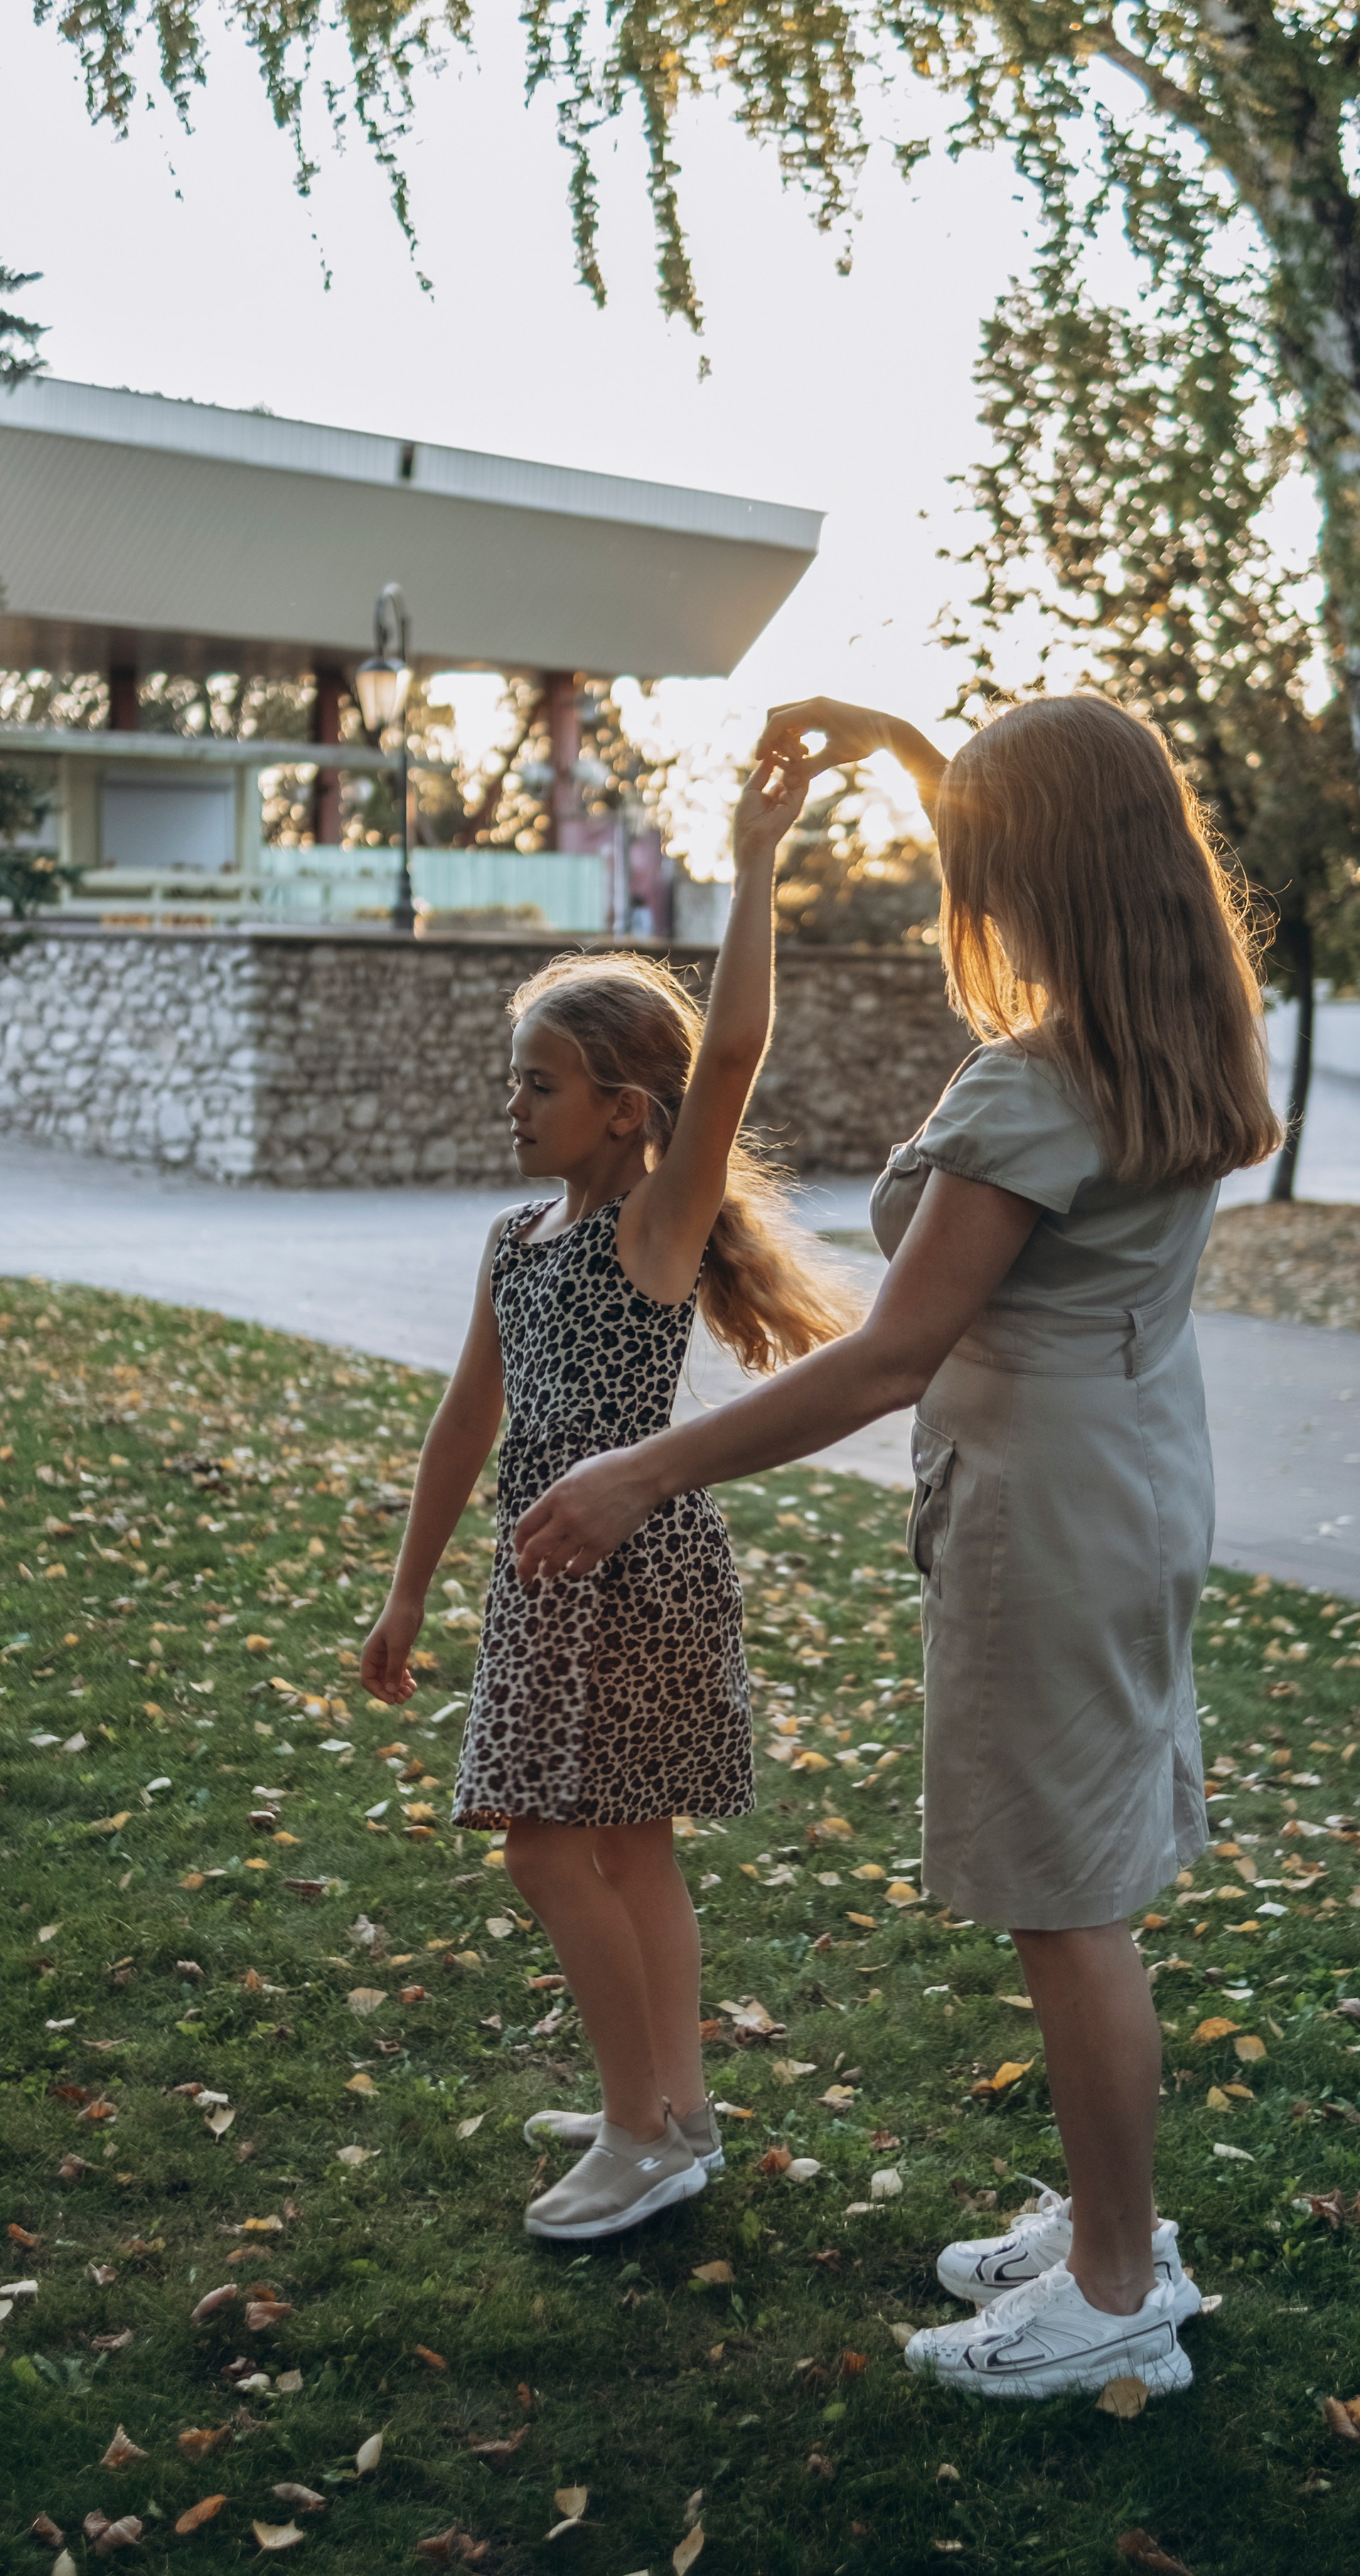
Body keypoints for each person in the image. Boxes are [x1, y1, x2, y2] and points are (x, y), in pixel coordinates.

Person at [513, 692, 1281, 2398]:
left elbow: (880, 1360)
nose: (966, 888)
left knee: (1066, 1904)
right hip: (1139, 1471)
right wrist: (913, 751)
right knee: (1089, 1872)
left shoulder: (1029, 1087)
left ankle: (1108, 2288)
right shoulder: (1180, 1032)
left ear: (1035, 869)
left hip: (1048, 1513)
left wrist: (645, 1468)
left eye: (978, 854)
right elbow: (1056, 825)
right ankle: (1115, 2221)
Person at [359, 744, 855, 2243]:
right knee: (621, 1844)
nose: (514, 1104)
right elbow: (465, 1416)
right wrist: (405, 1584)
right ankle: (671, 2109)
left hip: (631, 1566)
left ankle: (642, 2131)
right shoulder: (516, 1239)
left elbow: (736, 1051)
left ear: (625, 1110)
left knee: (545, 1844)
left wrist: (755, 853)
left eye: (541, 1082)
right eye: (514, 1079)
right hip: (538, 1567)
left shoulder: (650, 1230)